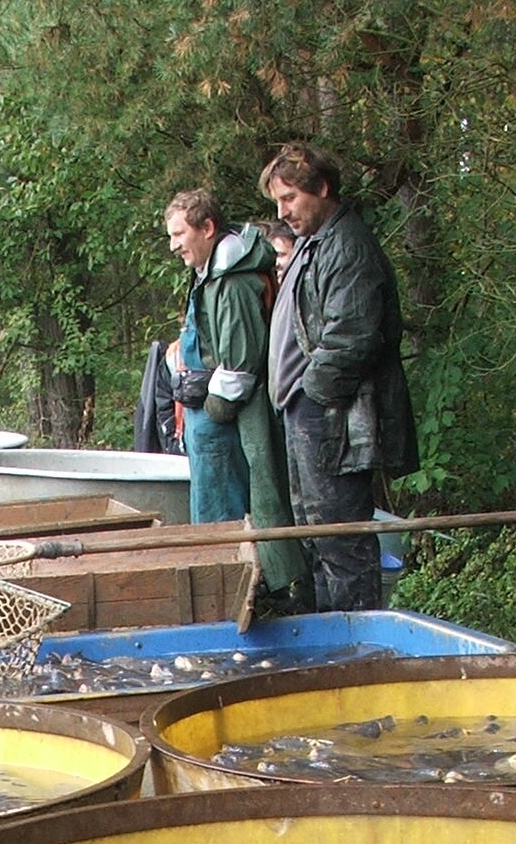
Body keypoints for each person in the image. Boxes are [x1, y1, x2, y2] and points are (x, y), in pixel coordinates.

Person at [261, 142, 418, 611]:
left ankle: (357, 641)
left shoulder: (348, 245)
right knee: (316, 537)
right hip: (307, 413)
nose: (283, 212)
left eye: (290, 198)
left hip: (334, 418)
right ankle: (329, 634)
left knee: (341, 540)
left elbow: (353, 338)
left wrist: (311, 396)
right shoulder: (317, 242)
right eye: (278, 202)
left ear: (322, 188)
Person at [163, 189, 308, 606]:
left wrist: (211, 409)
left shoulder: (233, 280)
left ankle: (243, 602)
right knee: (213, 527)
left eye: (179, 234)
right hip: (208, 424)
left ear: (207, 228)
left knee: (229, 529)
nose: (173, 245)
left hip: (226, 424)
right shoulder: (210, 274)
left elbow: (240, 365)